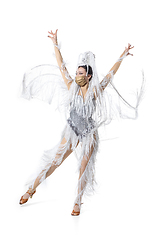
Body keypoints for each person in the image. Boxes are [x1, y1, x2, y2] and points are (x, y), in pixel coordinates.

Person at [19, 29, 143, 216]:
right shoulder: (71, 86)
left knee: (84, 166)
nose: (77, 75)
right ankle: (31, 189)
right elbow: (61, 66)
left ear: (89, 76)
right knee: (56, 160)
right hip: (72, 129)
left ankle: (77, 201)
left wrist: (122, 56)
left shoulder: (94, 91)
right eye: (77, 72)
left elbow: (110, 75)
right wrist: (55, 43)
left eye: (81, 73)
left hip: (88, 133)